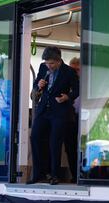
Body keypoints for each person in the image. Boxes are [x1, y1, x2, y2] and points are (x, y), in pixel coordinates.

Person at [29, 46, 79, 185]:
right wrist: (38, 85)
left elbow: (77, 89)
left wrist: (67, 97)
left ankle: (55, 175)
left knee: (54, 142)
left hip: (60, 110)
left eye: (51, 63)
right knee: (35, 137)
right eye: (46, 63)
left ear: (58, 61)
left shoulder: (69, 72)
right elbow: (35, 86)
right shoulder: (43, 67)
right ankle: (39, 173)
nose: (48, 66)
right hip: (44, 109)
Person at [63, 57, 80, 183]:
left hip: (84, 117)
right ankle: (75, 175)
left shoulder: (87, 82)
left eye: (77, 70)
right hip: (69, 116)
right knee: (70, 147)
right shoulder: (65, 82)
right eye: (72, 70)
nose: (74, 72)